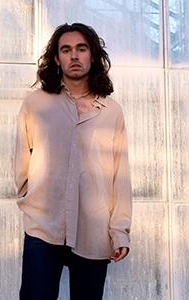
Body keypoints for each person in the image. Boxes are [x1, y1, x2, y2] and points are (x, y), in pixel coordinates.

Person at [15, 23, 132, 300]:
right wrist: (31, 198)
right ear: (57, 58)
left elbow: (120, 176)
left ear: (93, 55)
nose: (74, 56)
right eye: (66, 50)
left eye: (81, 48)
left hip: (93, 230)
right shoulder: (36, 104)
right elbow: (21, 160)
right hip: (44, 227)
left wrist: (120, 232)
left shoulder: (111, 111)